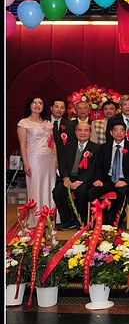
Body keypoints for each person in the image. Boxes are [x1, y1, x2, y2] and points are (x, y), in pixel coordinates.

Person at [88, 121, 129, 227]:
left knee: (122, 193)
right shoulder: (104, 147)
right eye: (116, 130)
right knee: (92, 192)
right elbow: (99, 166)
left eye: (122, 130)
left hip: (123, 179)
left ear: (126, 133)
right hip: (108, 179)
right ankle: (103, 218)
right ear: (111, 133)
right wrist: (97, 179)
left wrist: (126, 181)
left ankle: (115, 219)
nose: (119, 133)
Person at [17, 95, 57, 226]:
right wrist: (25, 163)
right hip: (34, 159)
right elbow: (22, 145)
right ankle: (36, 218)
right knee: (36, 186)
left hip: (49, 159)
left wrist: (56, 160)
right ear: (29, 105)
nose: (37, 105)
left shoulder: (47, 123)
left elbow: (52, 143)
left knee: (49, 186)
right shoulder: (24, 123)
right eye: (34, 103)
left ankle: (49, 216)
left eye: (40, 103)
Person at [54, 122, 99, 230]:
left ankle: (80, 220)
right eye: (80, 130)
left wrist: (79, 182)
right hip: (69, 178)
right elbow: (62, 163)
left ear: (90, 133)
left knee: (81, 192)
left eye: (86, 130)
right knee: (58, 191)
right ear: (75, 132)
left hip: (85, 180)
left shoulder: (96, 148)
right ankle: (67, 220)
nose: (82, 133)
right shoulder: (68, 146)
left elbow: (93, 168)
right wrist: (65, 178)